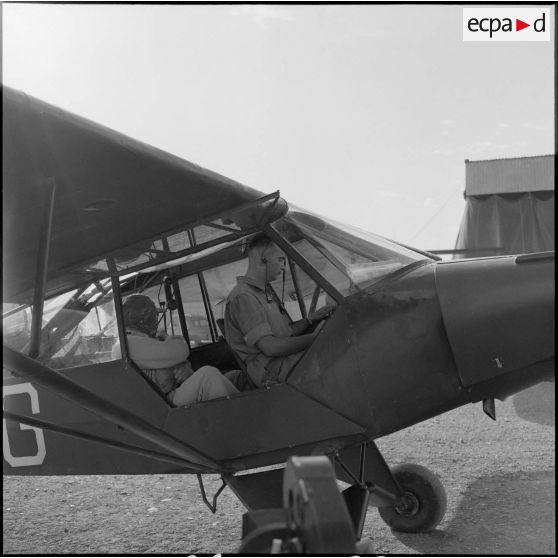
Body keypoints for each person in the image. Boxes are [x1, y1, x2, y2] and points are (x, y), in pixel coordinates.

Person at [224, 234, 334, 387]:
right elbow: (271, 347)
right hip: (271, 371)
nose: (283, 267)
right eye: (280, 260)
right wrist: (315, 338)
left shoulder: (261, 292)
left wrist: (309, 320)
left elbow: (284, 334)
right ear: (263, 259)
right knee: (333, 353)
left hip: (280, 362)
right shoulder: (244, 297)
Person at [113, 294, 238, 405]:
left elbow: (169, 360)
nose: (156, 321)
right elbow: (180, 350)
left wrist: (185, 370)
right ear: (143, 319)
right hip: (161, 404)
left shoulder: (141, 339)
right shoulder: (128, 344)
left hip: (169, 396)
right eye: (153, 316)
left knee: (236, 376)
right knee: (208, 375)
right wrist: (168, 339)